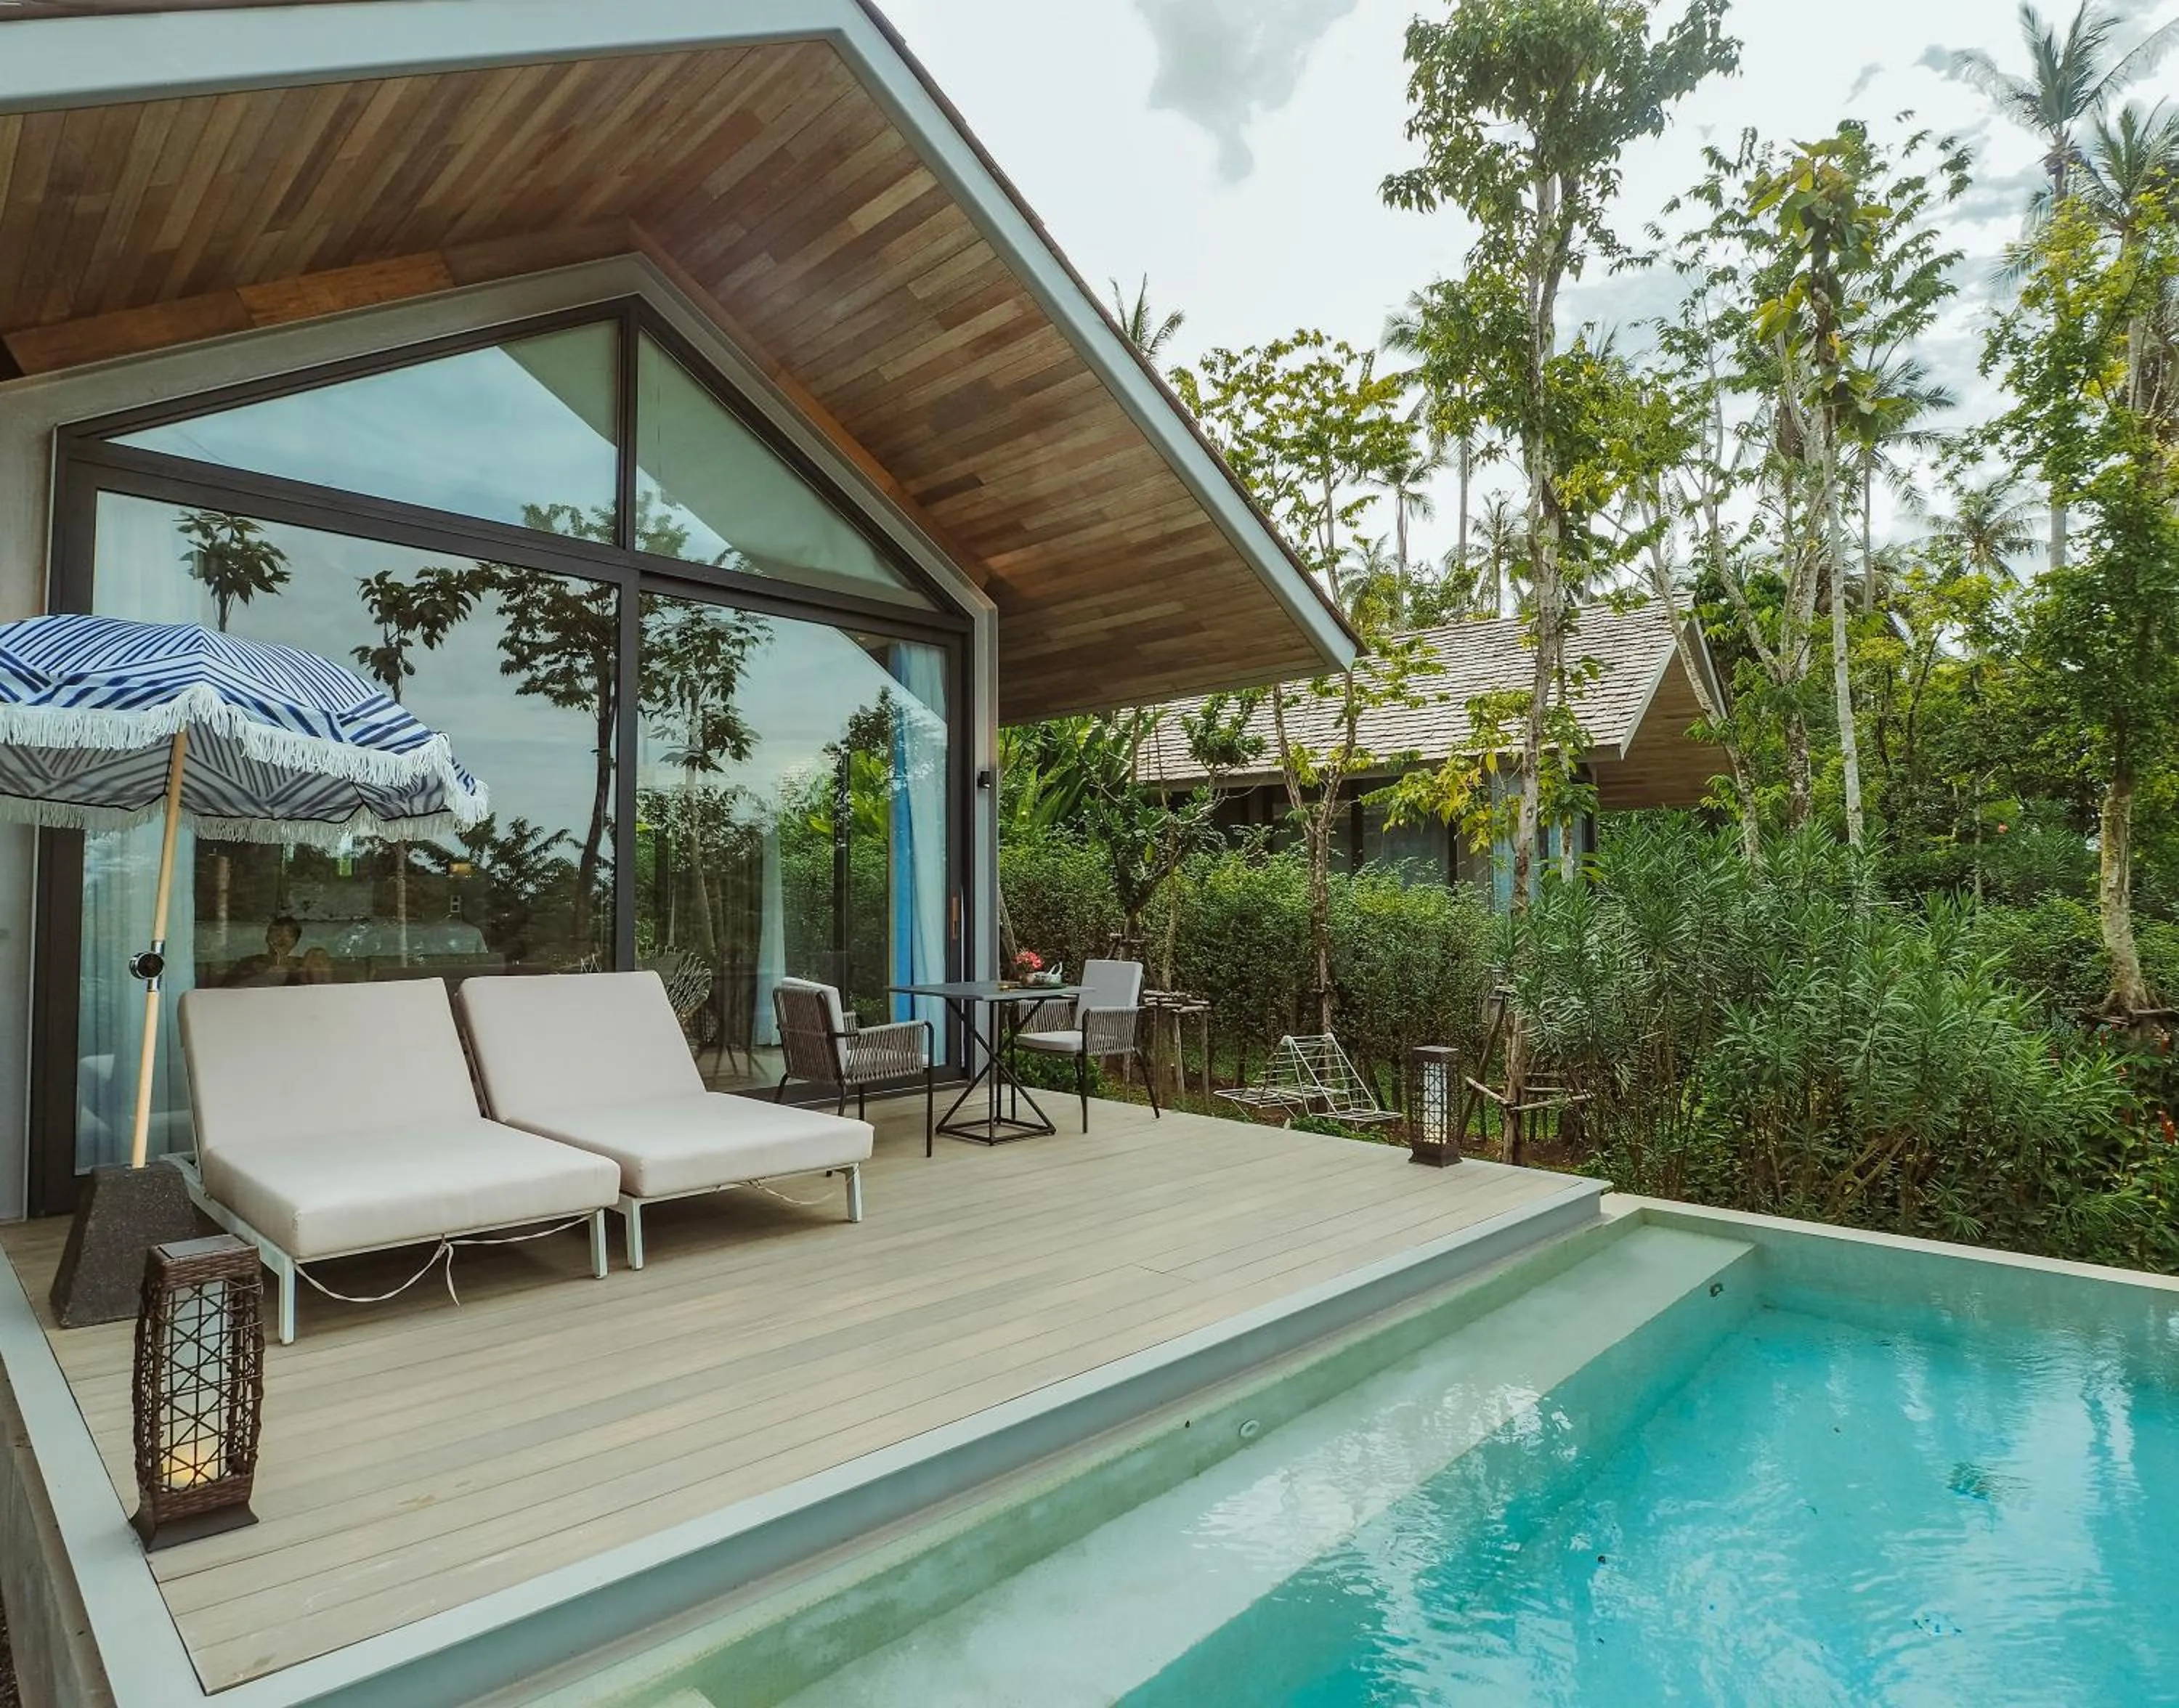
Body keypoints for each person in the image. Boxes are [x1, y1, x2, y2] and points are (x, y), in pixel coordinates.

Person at [220, 915, 308, 987]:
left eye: (290, 935)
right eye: (278, 933)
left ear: (296, 942)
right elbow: (227, 990)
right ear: (267, 938)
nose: (283, 939)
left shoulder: (303, 965)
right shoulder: (247, 963)